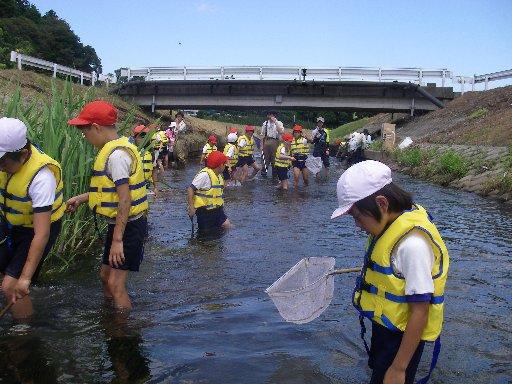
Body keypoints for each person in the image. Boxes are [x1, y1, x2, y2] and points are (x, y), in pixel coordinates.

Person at [331, 160, 449, 384]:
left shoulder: (412, 245)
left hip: (402, 339)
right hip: (386, 329)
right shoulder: (389, 228)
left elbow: (420, 312)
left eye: (357, 216)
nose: (357, 224)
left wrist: (399, 368)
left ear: (382, 203)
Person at [66, 101, 149, 312]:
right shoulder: (115, 148)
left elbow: (125, 199)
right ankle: (109, 313)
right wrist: (83, 198)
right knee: (105, 276)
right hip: (120, 225)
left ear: (96, 127)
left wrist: (118, 240)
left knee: (115, 283)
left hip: (129, 228)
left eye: (84, 131)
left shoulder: (117, 156)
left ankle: (121, 332)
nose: (84, 137)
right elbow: (110, 191)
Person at [0, 118, 65, 319]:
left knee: (12, 285)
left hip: (35, 229)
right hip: (11, 220)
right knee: (4, 276)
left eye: (2, 162)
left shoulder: (41, 178)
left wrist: (25, 278)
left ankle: (23, 333)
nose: (0, 167)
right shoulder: (8, 162)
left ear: (23, 154)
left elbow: (41, 233)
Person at [187, 151, 233, 233]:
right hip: (205, 213)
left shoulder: (218, 176)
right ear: (220, 166)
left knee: (228, 226)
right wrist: (191, 207)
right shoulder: (204, 175)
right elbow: (190, 189)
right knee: (207, 238)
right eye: (224, 164)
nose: (225, 166)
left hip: (218, 211)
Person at [133, 125, 158, 197]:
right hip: (134, 188)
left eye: (145, 137)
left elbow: (153, 170)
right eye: (140, 136)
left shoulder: (151, 152)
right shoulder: (131, 151)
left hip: (146, 188)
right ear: (135, 138)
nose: (143, 139)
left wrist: (156, 187)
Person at [260, 111, 285, 178]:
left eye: (271, 115)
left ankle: (275, 175)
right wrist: (261, 145)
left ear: (274, 116)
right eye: (268, 115)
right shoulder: (265, 123)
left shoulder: (279, 123)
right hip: (266, 141)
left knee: (275, 159)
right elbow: (262, 135)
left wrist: (275, 122)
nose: (269, 116)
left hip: (275, 142)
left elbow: (281, 132)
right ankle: (263, 175)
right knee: (265, 159)